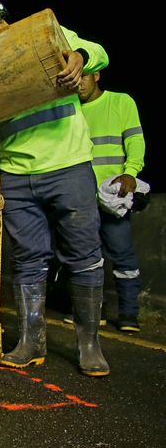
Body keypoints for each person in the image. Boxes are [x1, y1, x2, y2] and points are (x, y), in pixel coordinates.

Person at [0, 0, 110, 376]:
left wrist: (79, 56)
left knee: (83, 256)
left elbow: (98, 50)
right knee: (28, 259)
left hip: (67, 165)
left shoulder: (40, 35)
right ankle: (31, 342)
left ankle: (89, 344)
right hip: (16, 174)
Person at [77, 70, 146, 332]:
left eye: (83, 75)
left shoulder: (121, 102)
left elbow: (135, 139)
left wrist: (131, 172)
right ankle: (95, 312)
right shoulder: (72, 109)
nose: (79, 82)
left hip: (113, 196)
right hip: (81, 197)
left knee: (122, 253)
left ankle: (129, 314)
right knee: (87, 258)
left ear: (96, 75)